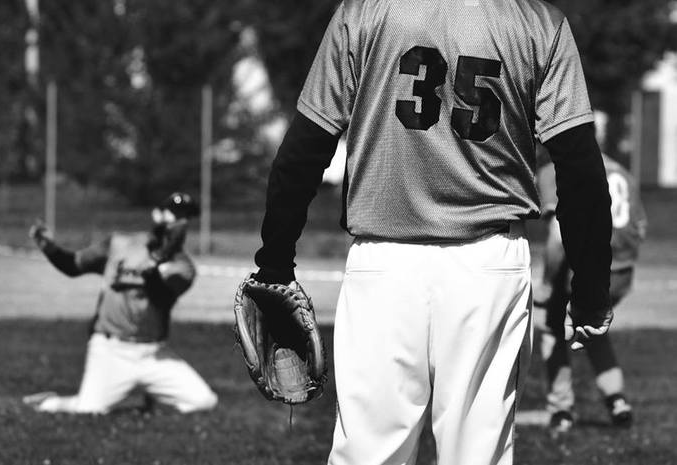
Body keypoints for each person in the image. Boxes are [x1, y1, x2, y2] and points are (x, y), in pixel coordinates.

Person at [252, 1, 612, 464]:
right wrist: (590, 290)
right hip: (489, 265)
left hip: (382, 261)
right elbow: (580, 168)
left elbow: (305, 149)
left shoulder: (362, 12)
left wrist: (274, 262)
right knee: (476, 454)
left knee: (367, 455)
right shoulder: (539, 22)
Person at [23, 192, 218, 414]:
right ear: (157, 215)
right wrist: (48, 246)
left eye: (185, 217)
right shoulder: (119, 244)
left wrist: (156, 263)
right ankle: (49, 403)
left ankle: (148, 401)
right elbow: (74, 265)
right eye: (175, 213)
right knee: (88, 410)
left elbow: (161, 298)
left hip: (153, 354)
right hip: (110, 348)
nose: (180, 222)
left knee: (204, 401)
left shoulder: (184, 267)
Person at [535, 152, 647, 433]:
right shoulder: (622, 172)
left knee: (553, 328)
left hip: (583, 272)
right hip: (622, 272)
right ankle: (616, 400)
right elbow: (641, 228)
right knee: (591, 324)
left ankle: (561, 411)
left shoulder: (556, 166)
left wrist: (546, 283)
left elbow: (557, 236)